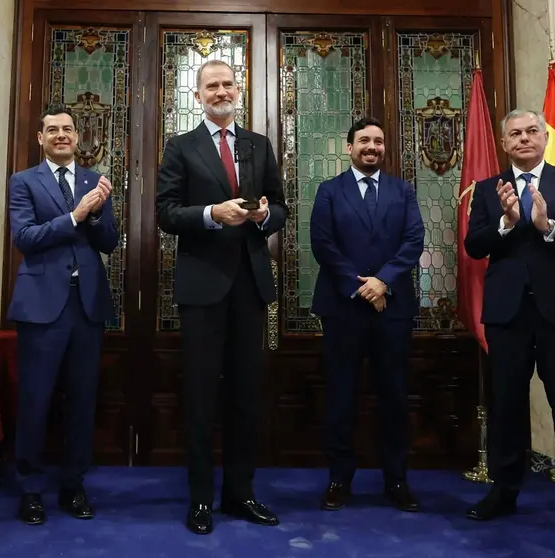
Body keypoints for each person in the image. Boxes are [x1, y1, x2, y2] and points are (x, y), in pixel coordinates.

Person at [464, 109, 555, 542]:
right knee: (507, 406)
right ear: (504, 142)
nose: (524, 138)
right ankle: (503, 491)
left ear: (545, 137)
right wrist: (505, 225)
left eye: (532, 131)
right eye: (516, 134)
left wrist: (549, 227)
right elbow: (475, 246)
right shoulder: (490, 189)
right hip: (508, 315)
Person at [156, 59, 287, 535]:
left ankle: (240, 493)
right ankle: (199, 500)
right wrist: (213, 213)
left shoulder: (258, 145)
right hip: (202, 287)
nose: (220, 91)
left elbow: (281, 207)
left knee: (247, 396)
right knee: (201, 396)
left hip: (250, 286)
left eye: (227, 84)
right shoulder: (181, 147)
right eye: (211, 86)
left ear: (239, 90)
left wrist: (265, 216)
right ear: (198, 96)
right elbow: (166, 214)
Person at [7, 106, 117, 526]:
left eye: (67, 129)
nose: (61, 135)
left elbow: (109, 242)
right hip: (41, 308)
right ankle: (31, 490)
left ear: (77, 136)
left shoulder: (95, 181)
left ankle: (74, 485)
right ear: (40, 138)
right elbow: (26, 238)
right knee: (35, 401)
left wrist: (99, 211)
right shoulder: (23, 182)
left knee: (82, 400)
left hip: (86, 306)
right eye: (52, 129)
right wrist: (76, 215)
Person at [309, 117, 425, 513]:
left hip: (392, 308)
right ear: (349, 147)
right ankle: (339, 479)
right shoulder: (329, 191)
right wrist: (362, 286)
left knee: (394, 396)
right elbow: (322, 243)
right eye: (364, 140)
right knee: (341, 396)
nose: (371, 146)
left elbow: (413, 241)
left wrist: (384, 282)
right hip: (343, 307)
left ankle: (397, 480)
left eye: (378, 140)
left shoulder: (403, 190)